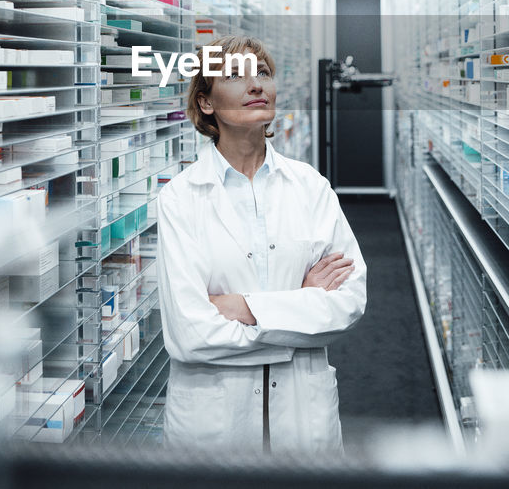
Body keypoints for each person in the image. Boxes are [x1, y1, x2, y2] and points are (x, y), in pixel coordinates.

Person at [157, 34, 367, 454]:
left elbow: (348, 302)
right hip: (214, 425)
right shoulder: (180, 198)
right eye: (235, 76)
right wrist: (302, 305)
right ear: (206, 102)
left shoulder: (310, 187)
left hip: (304, 418)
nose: (256, 85)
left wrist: (242, 308)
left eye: (264, 73)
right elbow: (191, 334)